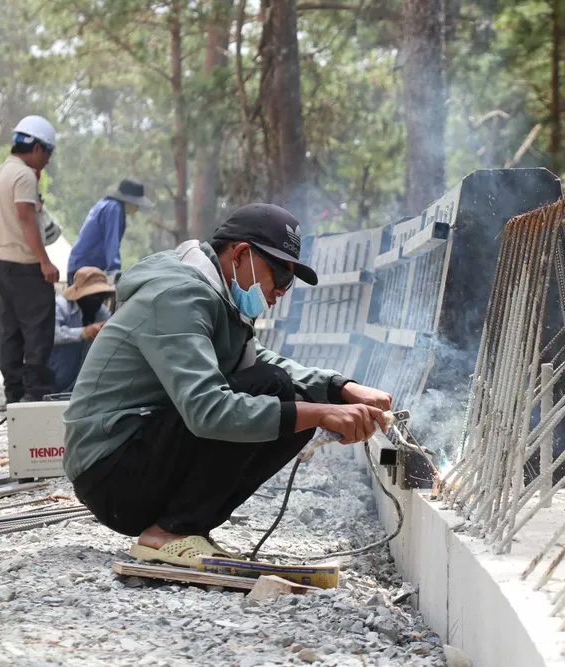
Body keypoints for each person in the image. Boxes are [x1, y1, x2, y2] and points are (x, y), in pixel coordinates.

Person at [63, 203, 392, 566]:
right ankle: (170, 532)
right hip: (110, 471)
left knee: (292, 396)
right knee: (279, 394)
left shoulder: (218, 300)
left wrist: (339, 388)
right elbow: (207, 411)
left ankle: (185, 527)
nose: (282, 291)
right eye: (280, 275)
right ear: (241, 255)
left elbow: (258, 360)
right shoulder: (178, 296)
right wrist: (319, 413)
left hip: (132, 460)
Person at [0, 115, 58, 404]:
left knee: (10, 332)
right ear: (37, 148)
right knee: (38, 332)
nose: (47, 161)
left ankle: (14, 394)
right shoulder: (24, 175)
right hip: (24, 265)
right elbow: (26, 218)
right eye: (48, 153)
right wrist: (44, 260)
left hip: (0, 263)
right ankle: (35, 395)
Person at [0, 191, 62, 392]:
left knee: (31, 325)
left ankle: (27, 380)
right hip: (6, 263)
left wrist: (38, 213)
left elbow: (51, 233)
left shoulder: (32, 197)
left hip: (31, 266)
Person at [67, 179, 153, 285]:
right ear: (130, 201)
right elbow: (112, 242)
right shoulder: (114, 209)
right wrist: (115, 271)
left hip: (79, 265)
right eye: (137, 204)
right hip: (85, 270)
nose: (138, 208)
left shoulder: (106, 204)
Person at [48, 267, 114, 395]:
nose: (98, 301)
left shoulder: (101, 312)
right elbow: (51, 334)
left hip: (81, 381)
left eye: (102, 297)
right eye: (94, 296)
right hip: (54, 373)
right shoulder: (60, 306)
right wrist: (83, 333)